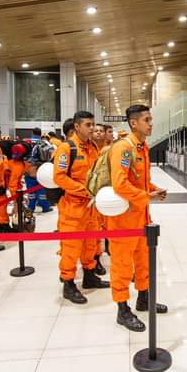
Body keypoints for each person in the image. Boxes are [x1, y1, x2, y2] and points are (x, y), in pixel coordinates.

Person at [108, 105, 168, 331]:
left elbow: (140, 181)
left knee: (144, 261)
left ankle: (144, 298)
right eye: (147, 120)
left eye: (151, 119)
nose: (151, 124)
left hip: (141, 217)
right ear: (133, 123)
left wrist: (153, 189)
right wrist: (146, 196)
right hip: (123, 220)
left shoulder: (142, 147)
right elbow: (119, 184)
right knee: (122, 265)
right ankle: (122, 310)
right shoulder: (124, 148)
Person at [54, 111, 110, 304]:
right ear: (77, 126)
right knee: (71, 248)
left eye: (93, 124)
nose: (92, 128)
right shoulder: (67, 148)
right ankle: (68, 284)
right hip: (73, 208)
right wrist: (84, 191)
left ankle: (89, 276)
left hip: (92, 208)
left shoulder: (93, 147)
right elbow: (59, 177)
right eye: (88, 125)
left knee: (91, 244)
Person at [25, 127, 52, 213]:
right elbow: (50, 156)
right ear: (40, 134)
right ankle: (45, 207)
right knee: (42, 190)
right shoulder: (44, 143)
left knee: (30, 190)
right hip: (41, 170)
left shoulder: (26, 141)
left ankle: (31, 207)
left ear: (32, 133)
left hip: (28, 170)